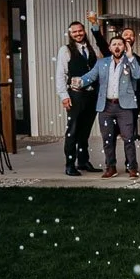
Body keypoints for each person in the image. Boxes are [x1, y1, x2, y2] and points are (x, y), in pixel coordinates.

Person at [77, 34, 140, 178]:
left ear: (124, 47)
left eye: (120, 44)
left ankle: (132, 167)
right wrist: (80, 81)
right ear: (110, 47)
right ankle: (110, 167)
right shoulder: (102, 63)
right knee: (107, 138)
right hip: (106, 106)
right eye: (114, 44)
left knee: (128, 138)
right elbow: (91, 76)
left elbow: (138, 75)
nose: (117, 47)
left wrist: (131, 56)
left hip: (124, 106)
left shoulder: (130, 61)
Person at [56, 20, 101, 176]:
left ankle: (83, 161)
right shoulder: (66, 50)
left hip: (91, 95)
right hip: (75, 95)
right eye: (74, 32)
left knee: (85, 131)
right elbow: (60, 75)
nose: (78, 34)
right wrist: (64, 96)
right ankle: (70, 164)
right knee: (73, 130)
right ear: (70, 34)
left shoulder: (92, 49)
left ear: (84, 31)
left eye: (80, 31)